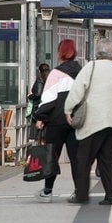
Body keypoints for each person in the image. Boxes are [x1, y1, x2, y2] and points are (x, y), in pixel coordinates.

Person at [64, 38, 112, 205]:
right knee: (108, 160)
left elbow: (77, 89)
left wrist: (68, 110)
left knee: (83, 159)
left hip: (94, 122)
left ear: (97, 52)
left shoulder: (91, 66)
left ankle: (81, 194)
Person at [33, 40, 82, 203]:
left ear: (59, 53)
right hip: (76, 121)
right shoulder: (81, 72)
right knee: (76, 158)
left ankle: (47, 192)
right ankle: (79, 191)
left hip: (56, 122)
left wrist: (40, 117)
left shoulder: (55, 73)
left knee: (52, 156)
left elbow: (48, 100)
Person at [28, 63, 50, 140]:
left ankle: (38, 149)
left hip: (38, 109)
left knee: (37, 133)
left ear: (40, 71)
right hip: (49, 109)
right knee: (46, 134)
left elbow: (38, 94)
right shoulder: (51, 79)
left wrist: (30, 96)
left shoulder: (40, 79)